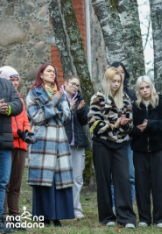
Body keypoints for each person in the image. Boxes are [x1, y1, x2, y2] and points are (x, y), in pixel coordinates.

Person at [26, 63, 74, 227]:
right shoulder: (34, 93)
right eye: (49, 71)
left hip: (59, 141)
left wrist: (60, 103)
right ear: (41, 74)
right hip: (43, 141)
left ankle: (57, 216)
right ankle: (43, 216)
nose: (52, 74)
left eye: (54, 72)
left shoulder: (61, 93)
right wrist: (53, 103)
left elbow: (67, 116)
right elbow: (35, 117)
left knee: (58, 179)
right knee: (43, 179)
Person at [88, 67, 136, 228]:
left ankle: (126, 218)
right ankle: (107, 217)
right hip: (101, 144)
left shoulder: (126, 99)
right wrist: (113, 125)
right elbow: (93, 125)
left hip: (120, 144)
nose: (116, 84)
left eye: (118, 81)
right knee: (103, 180)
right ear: (107, 81)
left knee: (123, 179)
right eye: (113, 81)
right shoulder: (97, 98)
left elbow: (130, 126)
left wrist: (124, 124)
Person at [130, 75, 162, 228]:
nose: (145, 90)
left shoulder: (160, 100)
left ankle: (160, 218)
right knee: (141, 185)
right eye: (142, 88)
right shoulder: (135, 105)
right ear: (138, 90)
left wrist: (150, 124)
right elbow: (131, 129)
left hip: (157, 149)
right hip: (139, 150)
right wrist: (138, 130)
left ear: (151, 87)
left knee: (159, 184)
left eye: (147, 87)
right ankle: (144, 218)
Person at [1, 66, 35, 232]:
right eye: (11, 80)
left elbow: (25, 122)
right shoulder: (3, 99)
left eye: (16, 80)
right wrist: (18, 133)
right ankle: (4, 217)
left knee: (16, 185)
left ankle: (15, 218)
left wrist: (27, 133)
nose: (15, 83)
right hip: (7, 145)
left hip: (20, 146)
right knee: (4, 184)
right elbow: (7, 126)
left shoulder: (19, 101)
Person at [62, 74, 89, 220]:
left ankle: (76, 208)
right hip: (62, 142)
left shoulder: (80, 98)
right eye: (73, 84)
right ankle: (63, 208)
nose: (75, 87)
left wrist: (79, 111)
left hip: (77, 143)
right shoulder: (58, 97)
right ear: (65, 83)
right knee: (63, 177)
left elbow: (84, 121)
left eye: (77, 85)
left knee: (77, 178)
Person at [109, 61, 136, 210]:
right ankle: (114, 206)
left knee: (131, 176)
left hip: (129, 140)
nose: (120, 74)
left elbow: (136, 117)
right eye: (116, 71)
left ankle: (129, 206)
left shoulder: (131, 94)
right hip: (112, 140)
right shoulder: (104, 93)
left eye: (122, 72)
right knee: (115, 176)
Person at [0, 69, 23, 234]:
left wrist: (6, 107)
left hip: (4, 142)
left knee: (2, 182)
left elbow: (18, 105)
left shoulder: (7, 85)